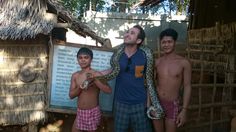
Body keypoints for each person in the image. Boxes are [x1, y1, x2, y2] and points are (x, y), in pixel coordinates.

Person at [107, 25, 153, 132]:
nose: (127, 34)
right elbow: (111, 70)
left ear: (139, 40)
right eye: (127, 32)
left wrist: (148, 104)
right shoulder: (117, 55)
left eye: (132, 33)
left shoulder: (145, 55)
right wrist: (95, 74)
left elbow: (150, 80)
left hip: (140, 103)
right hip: (120, 103)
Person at [153, 28, 192, 132]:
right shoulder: (157, 62)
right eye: (163, 42)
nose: (166, 45)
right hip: (157, 103)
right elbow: (150, 83)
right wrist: (150, 104)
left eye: (169, 42)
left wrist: (184, 110)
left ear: (175, 42)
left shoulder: (184, 63)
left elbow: (187, 86)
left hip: (172, 104)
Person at [69, 47, 112, 132]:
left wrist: (95, 79)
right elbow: (71, 95)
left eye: (86, 57)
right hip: (80, 112)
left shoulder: (96, 74)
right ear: (77, 59)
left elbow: (108, 90)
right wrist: (80, 88)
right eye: (80, 58)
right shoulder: (75, 75)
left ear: (91, 59)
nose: (83, 60)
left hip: (93, 112)